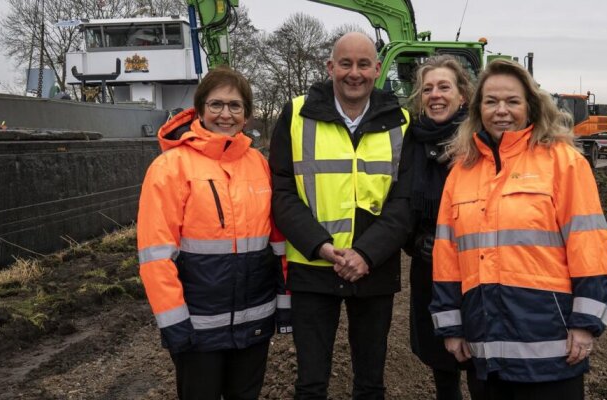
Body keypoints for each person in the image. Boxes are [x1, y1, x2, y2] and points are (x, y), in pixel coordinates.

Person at [430, 59, 607, 400]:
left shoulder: (563, 161)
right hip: (485, 350)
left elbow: (588, 245)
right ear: (477, 108)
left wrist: (585, 324)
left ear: (530, 105)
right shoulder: (461, 171)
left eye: (512, 101)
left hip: (551, 349)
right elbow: (447, 254)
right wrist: (451, 326)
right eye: (491, 101)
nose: (502, 110)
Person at [269, 32, 413, 400]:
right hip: (313, 267)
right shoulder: (296, 114)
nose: (355, 73)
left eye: (363, 64)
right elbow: (282, 190)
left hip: (373, 268)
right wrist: (320, 246)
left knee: (370, 382)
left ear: (377, 69)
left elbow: (405, 200)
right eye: (345, 63)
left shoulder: (401, 121)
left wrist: (366, 253)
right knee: (311, 382)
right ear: (330, 67)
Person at [136, 66, 287, 400]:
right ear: (200, 110)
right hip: (197, 325)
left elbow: (277, 241)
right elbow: (155, 255)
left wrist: (284, 301)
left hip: (254, 319)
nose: (225, 114)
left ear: (247, 115)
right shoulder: (170, 167)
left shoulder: (258, 164)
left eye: (235, 106)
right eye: (216, 104)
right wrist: (172, 321)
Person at [401, 55, 485, 400]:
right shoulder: (411, 142)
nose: (434, 95)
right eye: (427, 88)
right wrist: (416, 241)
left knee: (481, 354)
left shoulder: (480, 141)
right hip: (430, 267)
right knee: (441, 354)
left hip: (478, 266)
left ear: (463, 95)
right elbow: (399, 200)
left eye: (444, 87)